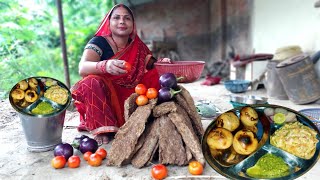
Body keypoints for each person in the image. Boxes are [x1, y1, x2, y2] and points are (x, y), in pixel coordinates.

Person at [71, 4, 170, 144]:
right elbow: (83, 67)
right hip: (106, 99)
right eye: (116, 18)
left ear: (132, 24)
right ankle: (103, 128)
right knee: (90, 82)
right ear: (109, 23)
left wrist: (162, 63)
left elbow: (151, 65)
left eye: (127, 18)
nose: (122, 21)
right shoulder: (99, 42)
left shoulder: (137, 45)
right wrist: (104, 65)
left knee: (160, 75)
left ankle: (147, 115)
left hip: (131, 96)